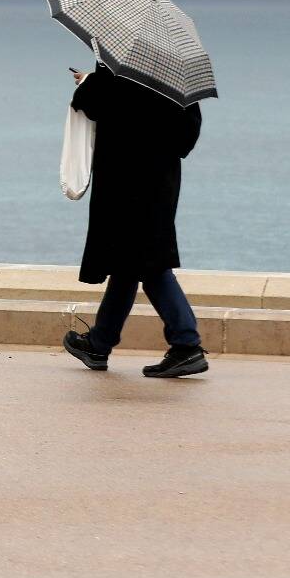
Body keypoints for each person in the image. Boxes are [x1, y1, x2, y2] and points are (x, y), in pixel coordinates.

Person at [61, 62, 209, 379]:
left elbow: (100, 104)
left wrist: (88, 81)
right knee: (130, 262)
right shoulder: (176, 74)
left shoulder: (122, 68)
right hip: (162, 180)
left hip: (126, 182)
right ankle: (99, 343)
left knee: (148, 264)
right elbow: (187, 134)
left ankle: (186, 344)